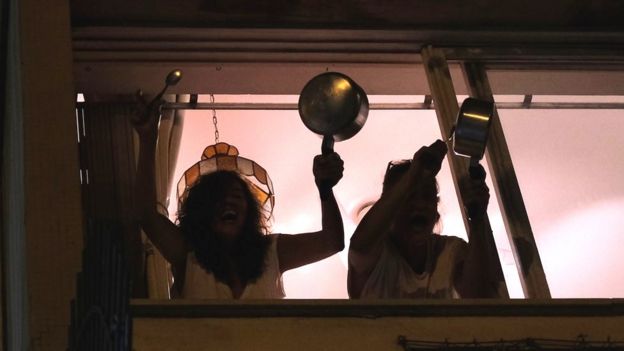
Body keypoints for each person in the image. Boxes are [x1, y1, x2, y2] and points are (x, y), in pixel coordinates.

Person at [132, 95, 345, 299]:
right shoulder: (187, 254)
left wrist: (324, 188)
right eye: (216, 198)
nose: (227, 201)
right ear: (202, 210)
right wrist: (148, 138)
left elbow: (332, 242)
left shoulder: (273, 251)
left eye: (236, 195)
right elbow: (146, 215)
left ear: (249, 209)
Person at [347, 140, 499, 298]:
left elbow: (479, 298)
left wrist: (477, 219)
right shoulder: (378, 258)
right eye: (409, 197)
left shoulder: (450, 251)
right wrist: (413, 175)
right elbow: (359, 247)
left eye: (427, 196)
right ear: (390, 207)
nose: (419, 204)